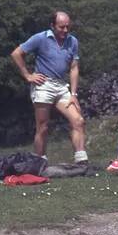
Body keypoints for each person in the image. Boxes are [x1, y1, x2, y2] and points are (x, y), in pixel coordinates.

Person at [9, 11, 88, 164]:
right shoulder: (41, 38)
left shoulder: (72, 41)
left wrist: (73, 93)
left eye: (67, 27)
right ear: (52, 26)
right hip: (43, 85)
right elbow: (16, 53)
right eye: (61, 27)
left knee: (78, 120)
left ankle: (81, 160)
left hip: (61, 85)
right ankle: (39, 161)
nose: (65, 31)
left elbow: (74, 68)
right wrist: (27, 75)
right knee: (43, 126)